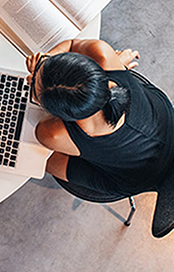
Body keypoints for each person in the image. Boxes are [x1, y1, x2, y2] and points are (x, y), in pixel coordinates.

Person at [27, 39, 174, 196]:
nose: (30, 77)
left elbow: (47, 137)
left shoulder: (52, 134)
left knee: (40, 161)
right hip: (165, 123)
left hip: (135, 179)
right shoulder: (102, 53)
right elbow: (71, 44)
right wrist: (45, 61)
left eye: (33, 91)